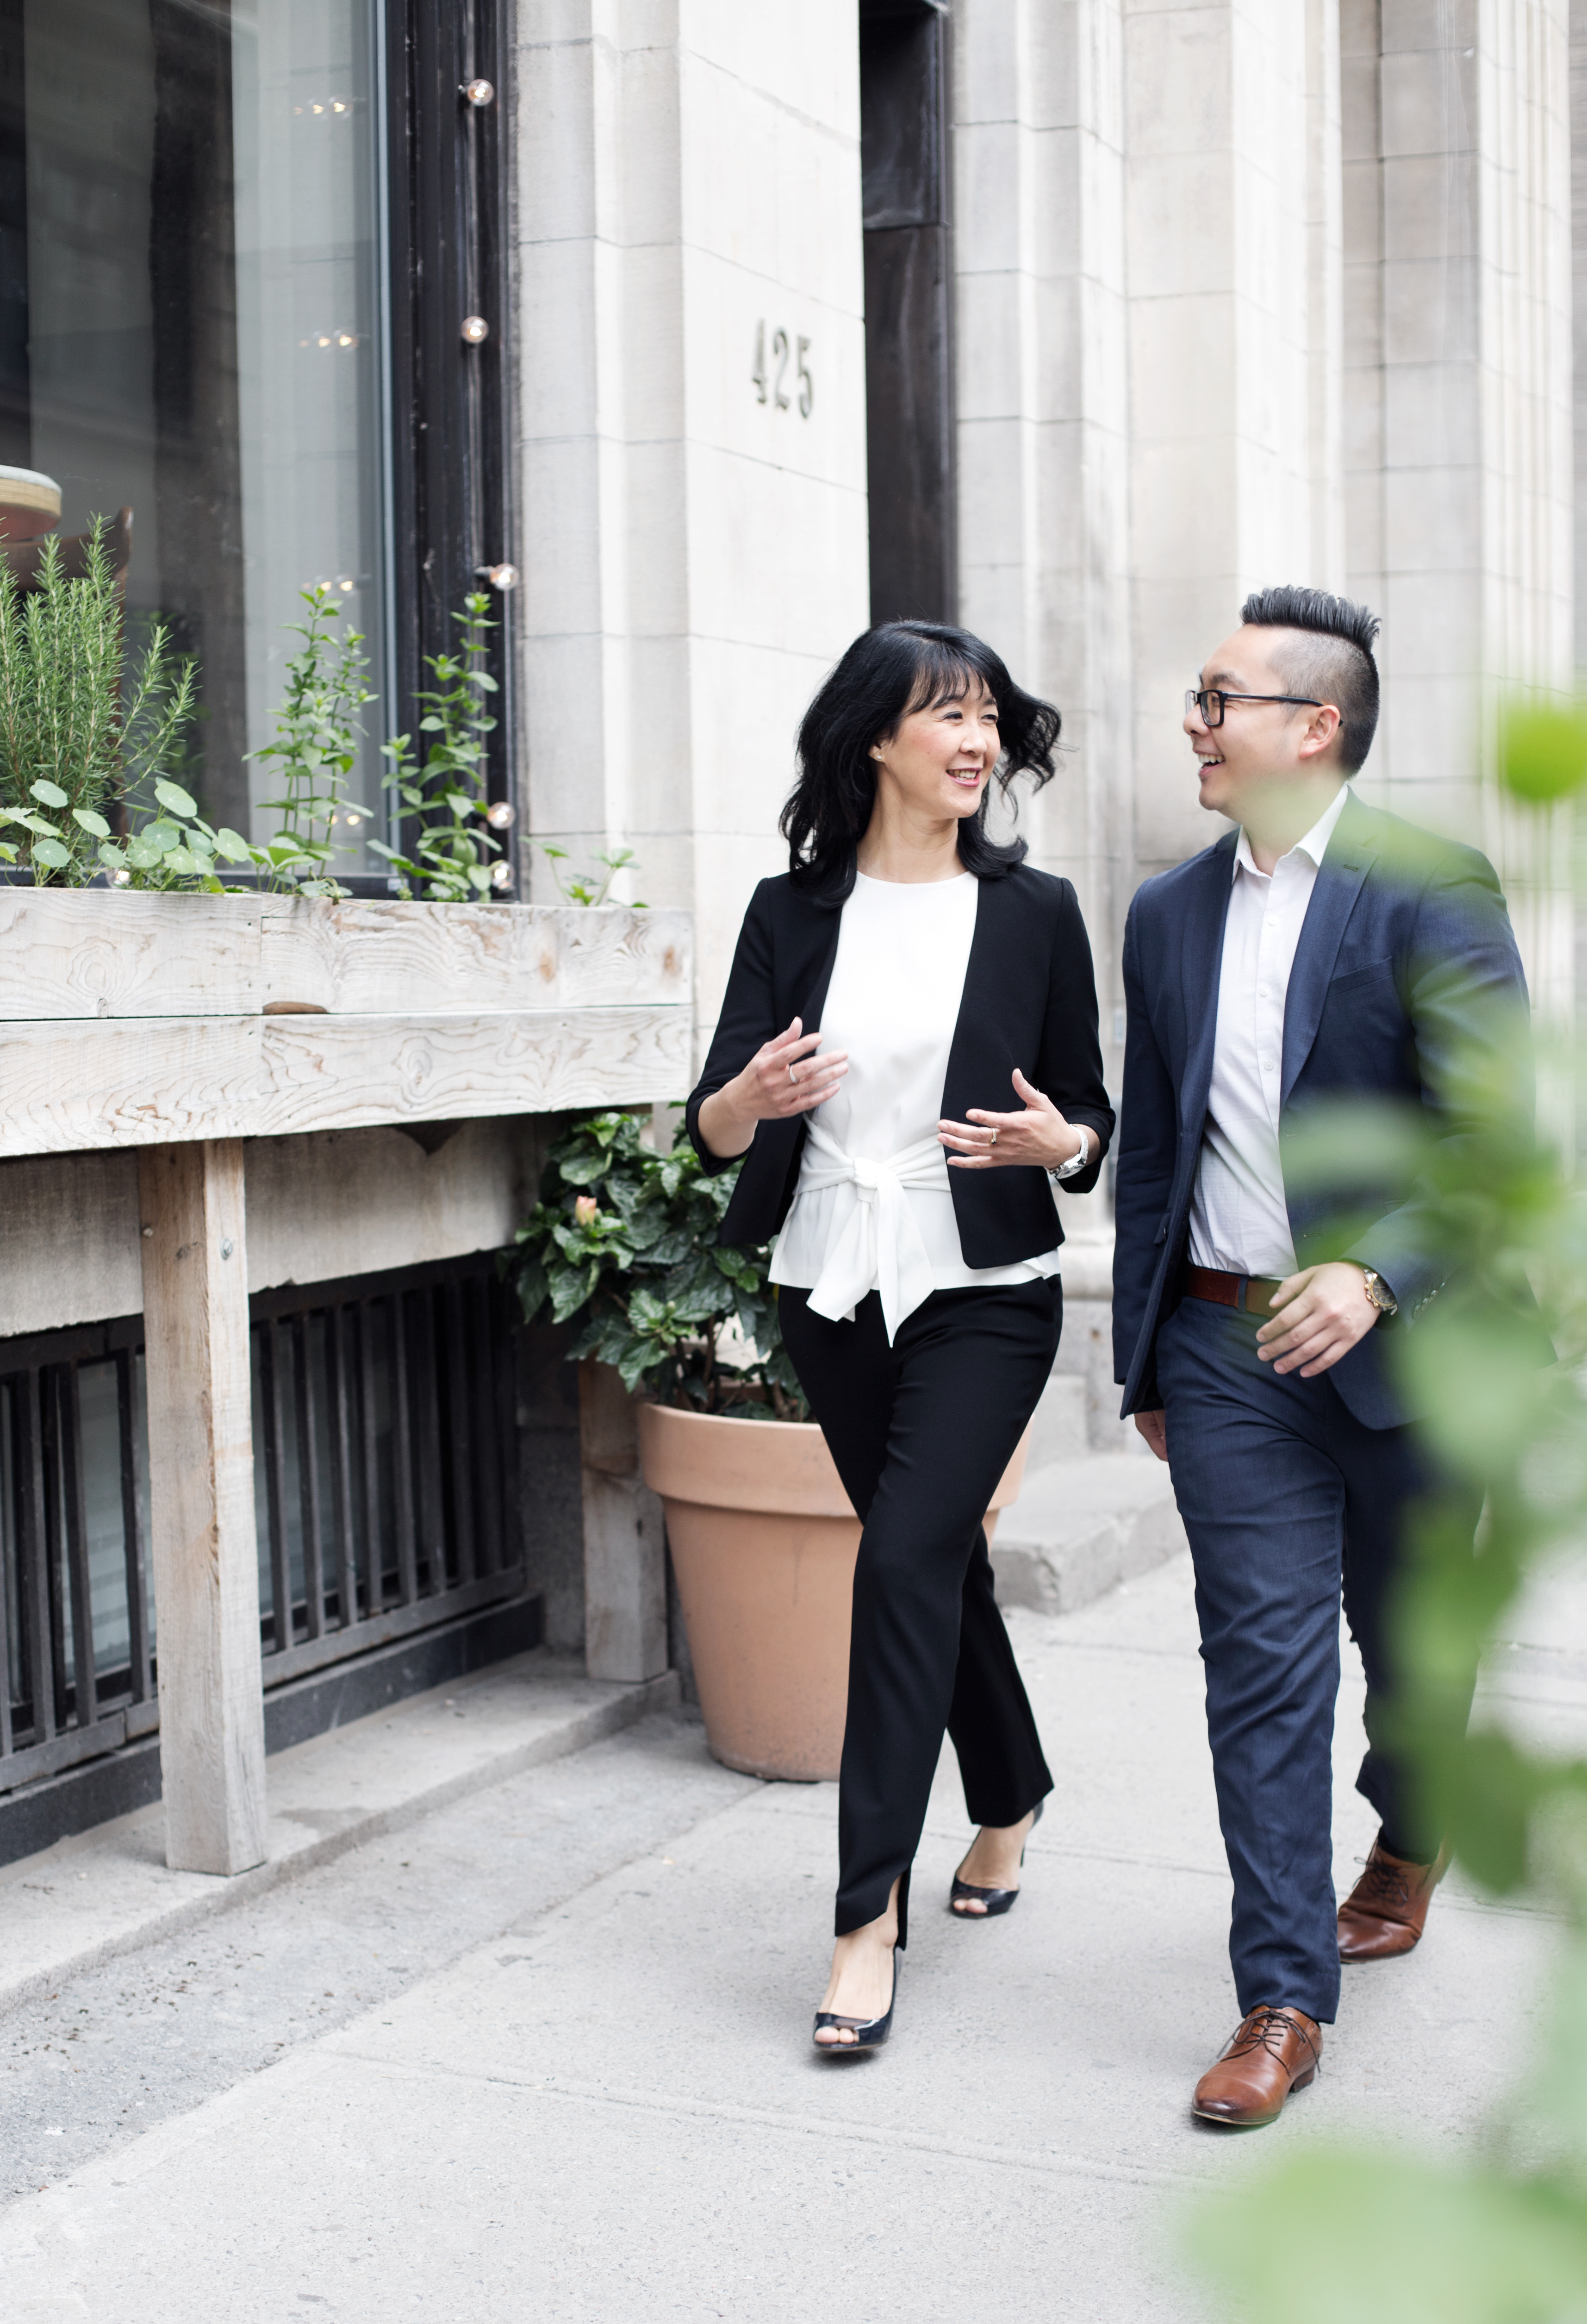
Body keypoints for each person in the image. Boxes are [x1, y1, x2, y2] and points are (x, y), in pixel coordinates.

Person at [1112, 585, 1534, 2127]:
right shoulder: (1166, 911)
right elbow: (1156, 1145)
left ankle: (1408, 1831)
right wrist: (1146, 1361)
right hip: (1230, 1350)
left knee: (1415, 1655)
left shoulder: (1431, 888)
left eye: (1220, 697)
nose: (1195, 724)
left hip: (1416, 1351)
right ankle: (1281, 1995)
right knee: (1263, 1669)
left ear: (1315, 726)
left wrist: (1375, 1272)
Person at [687, 620, 1114, 2053]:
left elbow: (1089, 1116)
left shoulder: (1038, 909)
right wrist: (749, 1092)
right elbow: (716, 1119)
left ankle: (863, 1917)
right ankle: (1010, 1793)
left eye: (990, 713)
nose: (978, 738)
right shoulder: (789, 910)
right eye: (948, 712)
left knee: (900, 1561)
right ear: (878, 738)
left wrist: (1065, 1141)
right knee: (939, 1561)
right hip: (830, 1285)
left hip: (985, 1290)